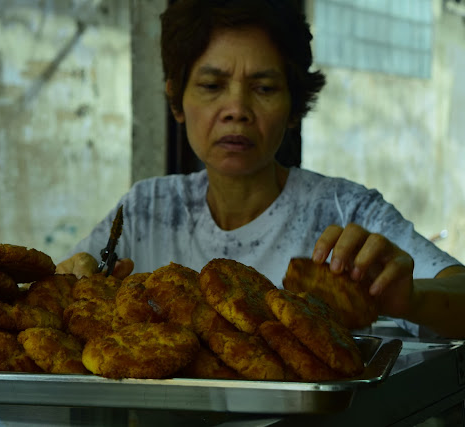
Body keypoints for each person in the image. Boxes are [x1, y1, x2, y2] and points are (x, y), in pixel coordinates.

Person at [56, 0, 465, 339]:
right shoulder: (146, 210)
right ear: (177, 100)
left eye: (264, 88)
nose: (237, 110)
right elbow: (67, 287)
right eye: (212, 86)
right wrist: (77, 277)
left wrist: (409, 297)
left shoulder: (344, 212)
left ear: (293, 107)